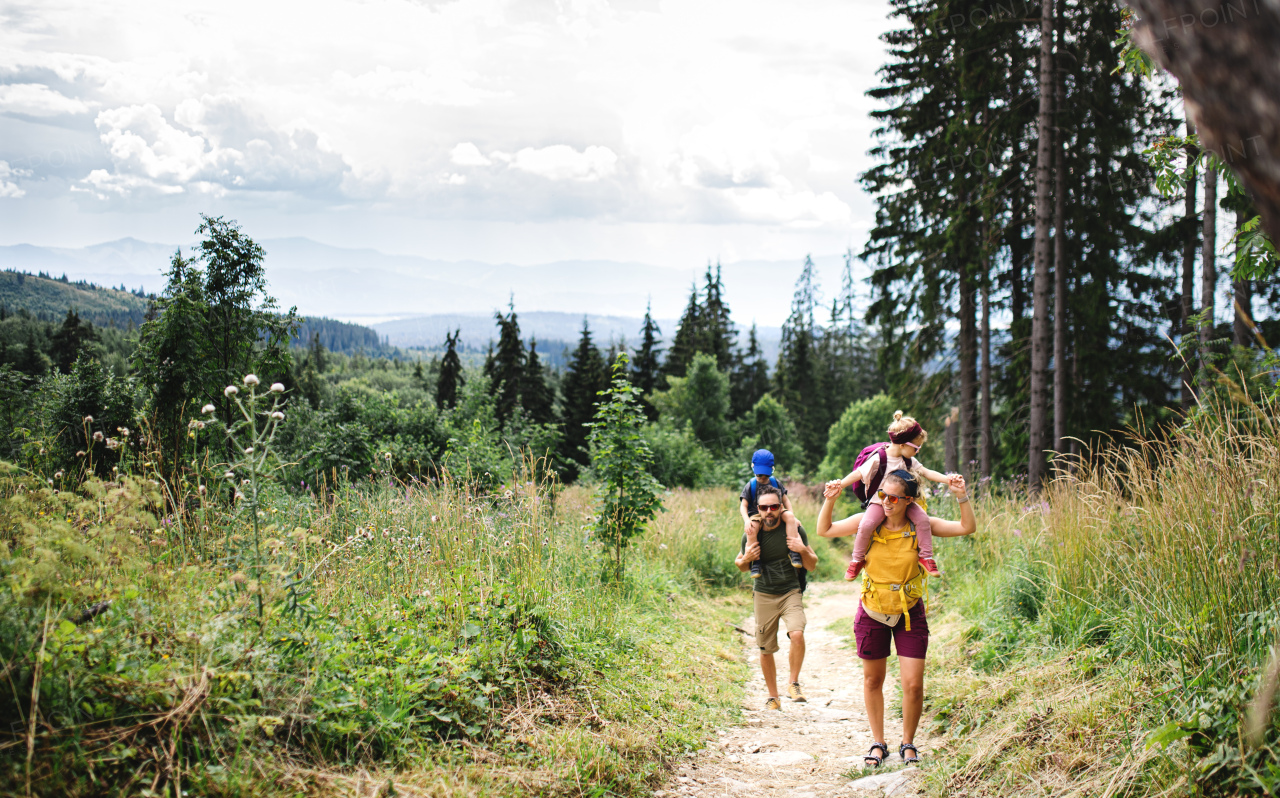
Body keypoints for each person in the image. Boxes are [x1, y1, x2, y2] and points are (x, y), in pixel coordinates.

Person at [818, 469, 975, 767]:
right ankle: (878, 742)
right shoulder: (868, 523)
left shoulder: (921, 525)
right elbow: (824, 529)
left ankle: (908, 743)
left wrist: (961, 496)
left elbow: (967, 527)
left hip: (909, 611)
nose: (886, 503)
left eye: (893, 498)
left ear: (908, 501)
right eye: (882, 496)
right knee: (873, 679)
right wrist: (831, 500)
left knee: (913, 684)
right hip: (872, 608)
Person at [835, 411, 958, 579]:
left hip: (904, 501)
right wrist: (838, 484)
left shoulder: (908, 460)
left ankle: (926, 557)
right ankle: (856, 560)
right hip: (880, 501)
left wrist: (948, 479)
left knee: (922, 520)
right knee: (866, 524)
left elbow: (926, 472)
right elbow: (857, 474)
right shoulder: (879, 459)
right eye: (916, 448)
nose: (918, 451)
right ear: (902, 445)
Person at [735, 484, 818, 709]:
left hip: (790, 590)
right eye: (764, 507)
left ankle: (793, 683)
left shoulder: (795, 529)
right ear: (758, 509)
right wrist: (747, 559)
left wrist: (802, 549)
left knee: (797, 634)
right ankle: (774, 697)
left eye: (774, 506)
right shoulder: (752, 532)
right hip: (763, 594)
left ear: (781, 507)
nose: (769, 511)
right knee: (766, 647)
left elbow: (811, 564)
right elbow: (742, 565)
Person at [739, 449, 802, 576]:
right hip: (757, 513)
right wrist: (747, 521)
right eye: (759, 475)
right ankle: (756, 562)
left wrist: (792, 515)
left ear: (772, 470)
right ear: (753, 468)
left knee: (789, 517)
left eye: (766, 475)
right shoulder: (750, 485)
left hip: (776, 509)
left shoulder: (775, 482)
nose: (762, 478)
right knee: (752, 529)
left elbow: (786, 500)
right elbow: (743, 506)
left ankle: (793, 551)